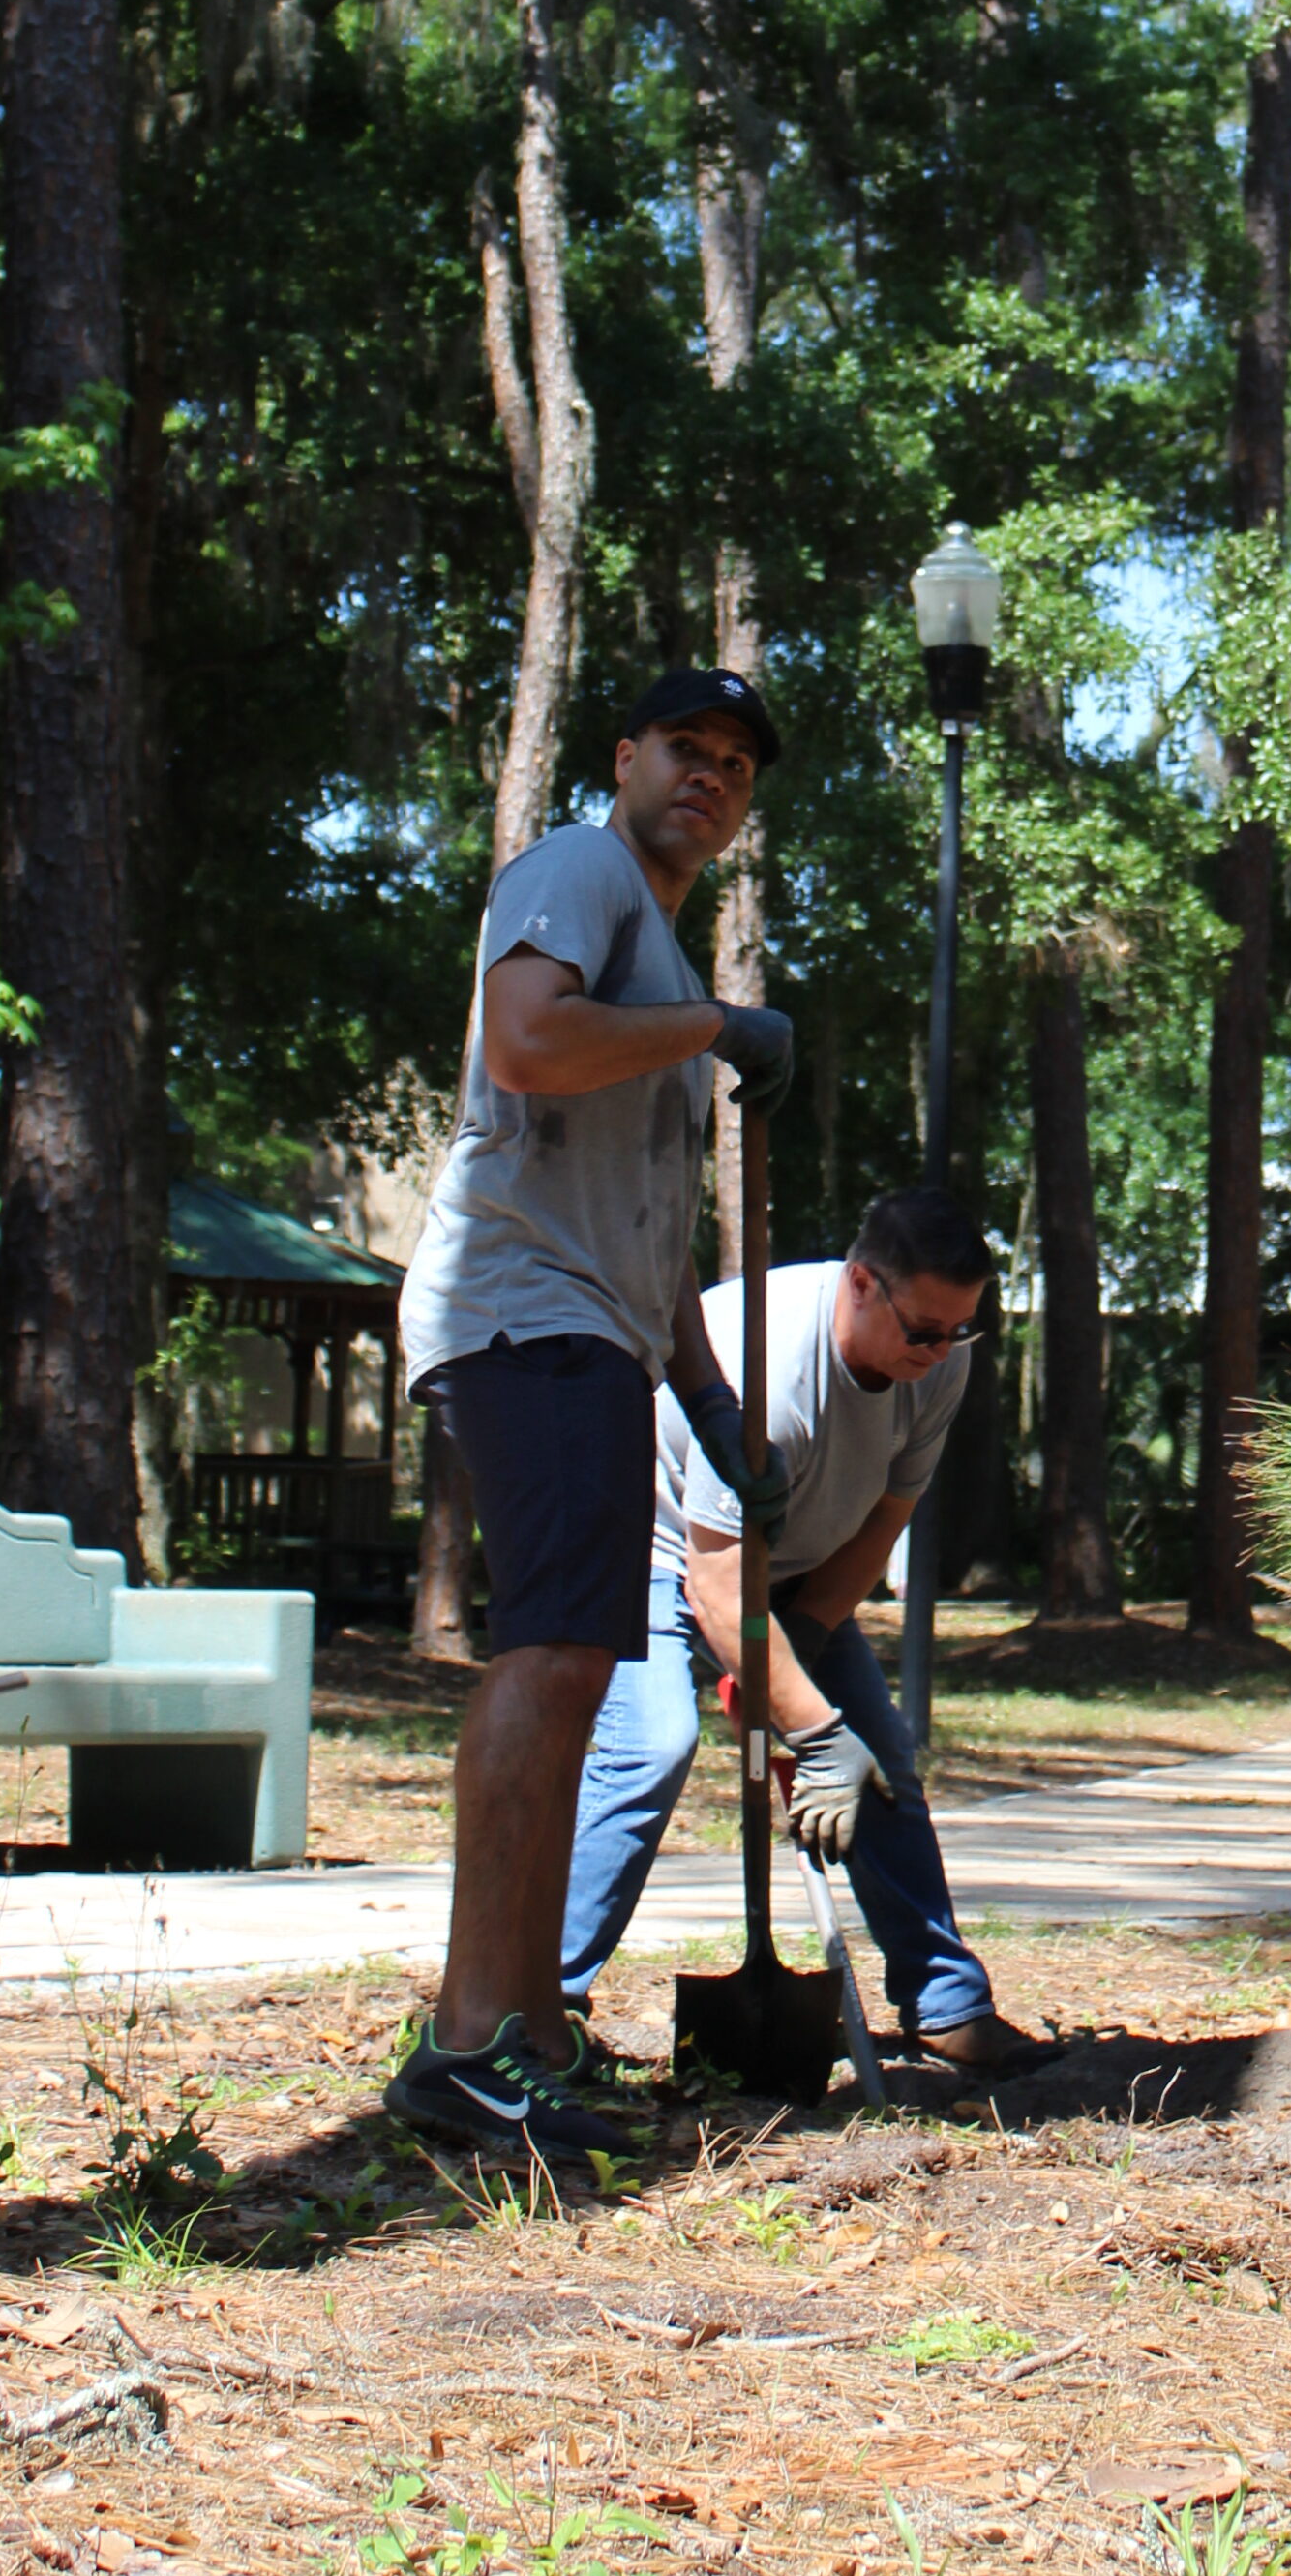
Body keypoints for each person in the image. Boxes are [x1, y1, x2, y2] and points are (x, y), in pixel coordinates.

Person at [388, 668, 801, 2165]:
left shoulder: (654, 947)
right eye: (686, 747)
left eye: (736, 764)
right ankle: (468, 2046)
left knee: (577, 1668)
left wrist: (712, 1400)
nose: (710, 775)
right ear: (625, 757)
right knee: (554, 1658)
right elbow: (526, 1042)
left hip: (596, 1331)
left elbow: (648, 1235)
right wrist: (715, 1023)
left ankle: (530, 2033)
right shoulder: (581, 868)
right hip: (523, 1311)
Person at [559, 1192, 1058, 2080]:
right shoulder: (770, 1372)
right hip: (649, 1546)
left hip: (788, 1567)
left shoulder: (937, 1361)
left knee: (883, 1759)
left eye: (959, 1333)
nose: (940, 1352)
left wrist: (801, 1647)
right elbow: (716, 1589)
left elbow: (886, 1517)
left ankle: (947, 2004)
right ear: (860, 1283)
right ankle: (540, 2001)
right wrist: (817, 1734)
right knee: (651, 1745)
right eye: (924, 1331)